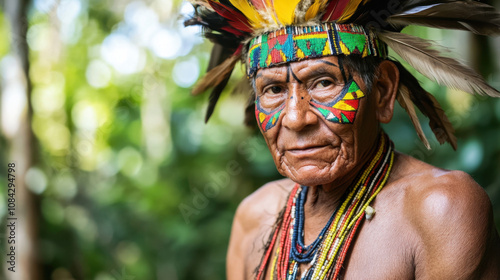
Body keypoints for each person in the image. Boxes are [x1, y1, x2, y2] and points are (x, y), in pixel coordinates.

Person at [186, 0, 500, 279]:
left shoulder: (441, 211)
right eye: (274, 90)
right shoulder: (253, 216)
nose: (296, 118)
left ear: (382, 91)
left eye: (323, 82)